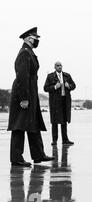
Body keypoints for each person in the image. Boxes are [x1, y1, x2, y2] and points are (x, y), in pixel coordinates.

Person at [7, 27, 54, 166]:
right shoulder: (24, 54)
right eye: (35, 38)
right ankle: (16, 158)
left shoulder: (29, 52)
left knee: (33, 124)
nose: (37, 41)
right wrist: (24, 98)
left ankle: (38, 155)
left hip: (31, 92)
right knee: (19, 126)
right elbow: (22, 77)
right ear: (28, 38)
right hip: (23, 94)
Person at [43, 62, 76, 145]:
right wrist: (54, 87)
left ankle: (65, 140)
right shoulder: (50, 76)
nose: (59, 67)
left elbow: (74, 85)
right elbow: (45, 88)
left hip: (65, 100)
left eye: (60, 65)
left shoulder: (67, 75)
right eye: (57, 65)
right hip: (55, 102)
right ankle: (54, 140)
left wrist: (69, 86)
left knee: (64, 121)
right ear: (54, 67)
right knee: (54, 122)